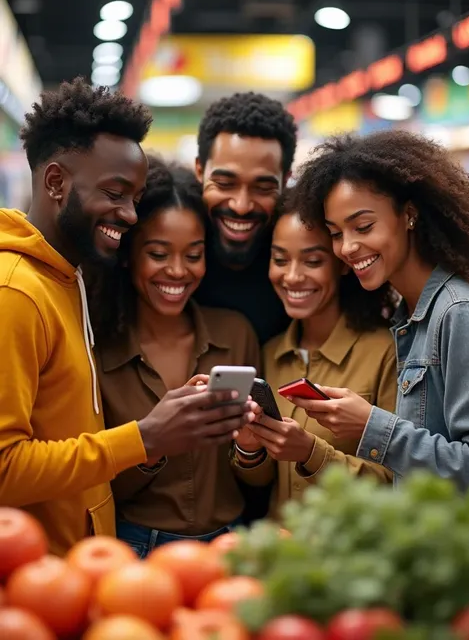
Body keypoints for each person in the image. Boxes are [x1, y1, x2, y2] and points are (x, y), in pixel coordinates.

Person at [0, 79, 254, 556]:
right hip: (36, 575)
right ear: (56, 182)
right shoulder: (15, 290)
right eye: (115, 193)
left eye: (135, 199)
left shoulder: (65, 279)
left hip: (79, 567)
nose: (130, 215)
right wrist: (145, 438)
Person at [88, 156, 263, 554]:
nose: (178, 271)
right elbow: (98, 483)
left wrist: (251, 447)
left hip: (229, 544)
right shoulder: (98, 349)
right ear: (129, 254)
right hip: (132, 547)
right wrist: (154, 442)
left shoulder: (235, 335)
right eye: (159, 253)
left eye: (194, 254)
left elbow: (257, 480)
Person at [289, 130, 469, 490]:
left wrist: (370, 426)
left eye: (363, 226)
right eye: (336, 233)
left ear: (409, 215)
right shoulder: (405, 312)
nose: (348, 247)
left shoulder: (458, 312)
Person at [231, 195, 397, 515]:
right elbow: (263, 481)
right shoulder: (269, 352)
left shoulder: (385, 351)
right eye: (280, 259)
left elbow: (398, 481)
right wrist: (249, 449)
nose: (292, 276)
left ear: (341, 263)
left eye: (312, 261)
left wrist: (311, 453)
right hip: (282, 552)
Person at [194, 91, 298, 346]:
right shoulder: (169, 237)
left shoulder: (302, 256)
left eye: (263, 188)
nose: (241, 206)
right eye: (225, 183)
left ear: (286, 180)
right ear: (199, 170)